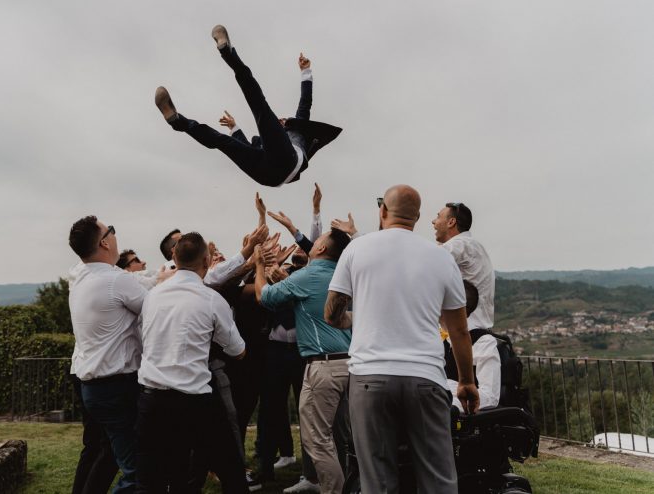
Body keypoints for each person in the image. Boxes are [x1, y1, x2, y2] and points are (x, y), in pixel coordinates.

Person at [324, 185, 480, 494]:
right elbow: (460, 331)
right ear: (417, 218)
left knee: (378, 482)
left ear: (383, 211)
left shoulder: (357, 248)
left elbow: (332, 311)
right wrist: (466, 381)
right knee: (438, 480)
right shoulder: (441, 258)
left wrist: (348, 318)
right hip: (425, 377)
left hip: (369, 377)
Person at [154, 25, 342, 187]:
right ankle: (177, 120)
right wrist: (234, 128)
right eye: (280, 121)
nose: (280, 121)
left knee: (259, 106)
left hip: (286, 163)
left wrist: (306, 71)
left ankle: (228, 53)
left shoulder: (295, 134)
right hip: (265, 173)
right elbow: (243, 149)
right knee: (223, 141)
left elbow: (303, 104)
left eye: (282, 121)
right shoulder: (271, 139)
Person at [135, 232, 247, 493]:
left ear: (174, 257)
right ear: (207, 261)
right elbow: (238, 350)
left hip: (151, 399)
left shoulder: (152, 296)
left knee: (150, 481)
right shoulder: (211, 299)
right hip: (194, 401)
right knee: (231, 471)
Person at [254, 229, 353, 494]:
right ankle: (343, 485)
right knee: (340, 437)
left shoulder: (308, 275)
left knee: (317, 440)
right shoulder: (345, 275)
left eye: (318, 240)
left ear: (321, 249)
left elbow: (264, 296)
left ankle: (332, 490)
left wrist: (259, 266)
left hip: (323, 365)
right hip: (350, 365)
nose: (314, 242)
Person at [68, 217, 146, 493]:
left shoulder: (79, 277)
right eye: (111, 230)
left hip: (94, 387)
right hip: (118, 388)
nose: (114, 235)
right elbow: (158, 310)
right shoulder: (115, 279)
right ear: (104, 242)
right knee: (139, 473)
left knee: (112, 455)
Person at [432, 202, 500, 410]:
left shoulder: (462, 245)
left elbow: (428, 260)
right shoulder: (470, 248)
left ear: (451, 222)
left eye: (438, 216)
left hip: (471, 333)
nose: (433, 221)